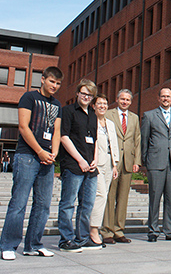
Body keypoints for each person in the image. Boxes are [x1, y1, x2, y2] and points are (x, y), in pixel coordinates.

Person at [0, 66, 63, 261]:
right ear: (42, 79)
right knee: (19, 203)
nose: (55, 86)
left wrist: (53, 153)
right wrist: (40, 151)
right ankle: (8, 245)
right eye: (52, 81)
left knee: (43, 205)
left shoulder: (57, 105)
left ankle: (33, 245)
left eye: (58, 83)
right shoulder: (29, 97)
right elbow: (23, 127)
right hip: (28, 156)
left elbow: (57, 132)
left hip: (47, 159)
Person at [141, 88, 171, 242]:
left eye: (168, 96)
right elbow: (144, 140)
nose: (165, 99)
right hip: (156, 162)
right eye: (163, 96)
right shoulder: (149, 116)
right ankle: (153, 230)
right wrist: (145, 161)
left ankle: (170, 231)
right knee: (155, 197)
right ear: (158, 98)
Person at [58, 79, 101, 252]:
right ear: (77, 93)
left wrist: (95, 159)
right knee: (68, 203)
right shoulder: (67, 111)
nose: (86, 97)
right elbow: (64, 137)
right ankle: (66, 240)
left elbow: (95, 139)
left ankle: (83, 238)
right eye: (83, 93)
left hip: (90, 167)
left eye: (89, 95)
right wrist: (80, 160)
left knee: (87, 204)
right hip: (74, 165)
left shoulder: (93, 114)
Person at [102, 89, 141, 244]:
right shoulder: (108, 114)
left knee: (123, 198)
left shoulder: (134, 118)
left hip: (128, 162)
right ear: (117, 99)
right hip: (113, 162)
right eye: (122, 99)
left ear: (131, 102)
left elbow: (137, 139)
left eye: (128, 100)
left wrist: (137, 161)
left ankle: (119, 230)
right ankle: (107, 232)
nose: (125, 102)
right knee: (110, 197)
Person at [89, 94, 119, 246]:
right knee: (100, 195)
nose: (102, 106)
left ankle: (93, 227)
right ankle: (94, 229)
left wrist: (115, 165)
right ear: (93, 105)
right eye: (99, 103)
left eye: (105, 103)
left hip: (109, 163)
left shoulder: (110, 124)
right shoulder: (90, 121)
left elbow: (113, 144)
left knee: (104, 195)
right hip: (96, 162)